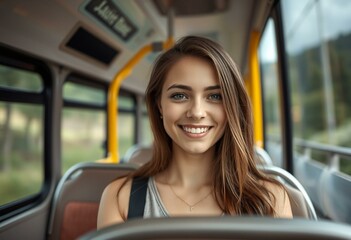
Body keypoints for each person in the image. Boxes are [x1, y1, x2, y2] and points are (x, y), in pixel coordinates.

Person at [97, 36, 292, 229]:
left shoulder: (271, 199)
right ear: (159, 106)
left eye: (215, 96)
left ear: (232, 107)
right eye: (179, 96)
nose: (197, 112)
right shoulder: (120, 198)